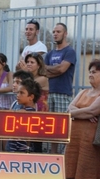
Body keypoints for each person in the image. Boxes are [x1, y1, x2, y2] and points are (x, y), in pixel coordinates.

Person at [65, 59, 100, 179]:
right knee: (79, 168)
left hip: (92, 140)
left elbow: (92, 111)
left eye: (95, 72)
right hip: (77, 137)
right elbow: (69, 108)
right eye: (90, 71)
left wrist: (80, 113)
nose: (91, 74)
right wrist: (84, 114)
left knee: (92, 169)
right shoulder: (83, 92)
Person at [45, 22, 76, 154]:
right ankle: (53, 155)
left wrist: (52, 70)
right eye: (54, 32)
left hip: (63, 93)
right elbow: (43, 72)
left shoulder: (70, 51)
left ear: (65, 33)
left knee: (62, 127)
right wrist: (55, 70)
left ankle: (64, 156)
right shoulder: (49, 54)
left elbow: (62, 69)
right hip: (50, 93)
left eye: (58, 31)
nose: (55, 34)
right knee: (51, 128)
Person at [7, 79, 41, 152]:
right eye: (18, 92)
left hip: (22, 153)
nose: (18, 95)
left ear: (31, 97)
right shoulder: (18, 111)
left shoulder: (32, 115)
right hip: (12, 151)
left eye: (21, 93)